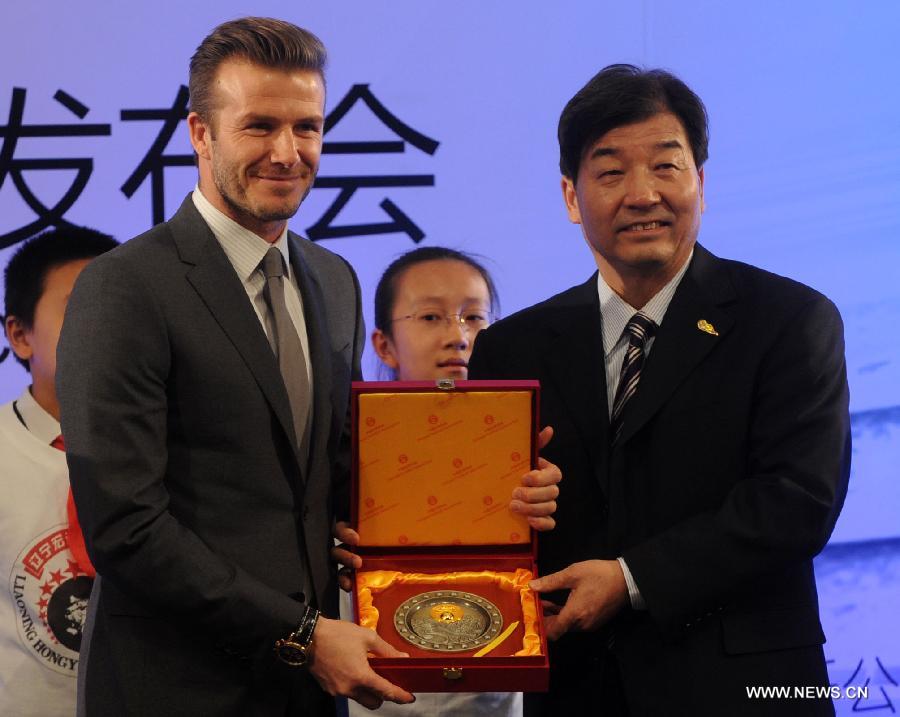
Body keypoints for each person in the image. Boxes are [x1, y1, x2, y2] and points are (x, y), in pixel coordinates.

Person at [56, 17, 415, 716]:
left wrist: (487, 496)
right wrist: (304, 635)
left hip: (309, 693)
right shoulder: (125, 286)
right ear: (200, 133)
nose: (288, 152)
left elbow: (331, 479)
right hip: (175, 687)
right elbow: (126, 527)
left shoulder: (334, 279)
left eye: (307, 127)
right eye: (259, 126)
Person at [467, 65, 851, 716]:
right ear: (570, 195)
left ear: (701, 182)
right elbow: (485, 523)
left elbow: (797, 502)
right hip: (578, 690)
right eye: (610, 172)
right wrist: (500, 505)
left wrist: (629, 579)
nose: (641, 194)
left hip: (751, 689)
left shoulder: (788, 319)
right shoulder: (513, 348)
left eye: (666, 166)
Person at [334, 247, 562, 717]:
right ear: (382, 344)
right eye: (431, 317)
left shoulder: (529, 439)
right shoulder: (339, 447)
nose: (458, 336)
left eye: (474, 316)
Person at [0, 226, 117, 717]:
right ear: (20, 336)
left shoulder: (182, 449)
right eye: (82, 307)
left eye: (122, 307)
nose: (109, 325)